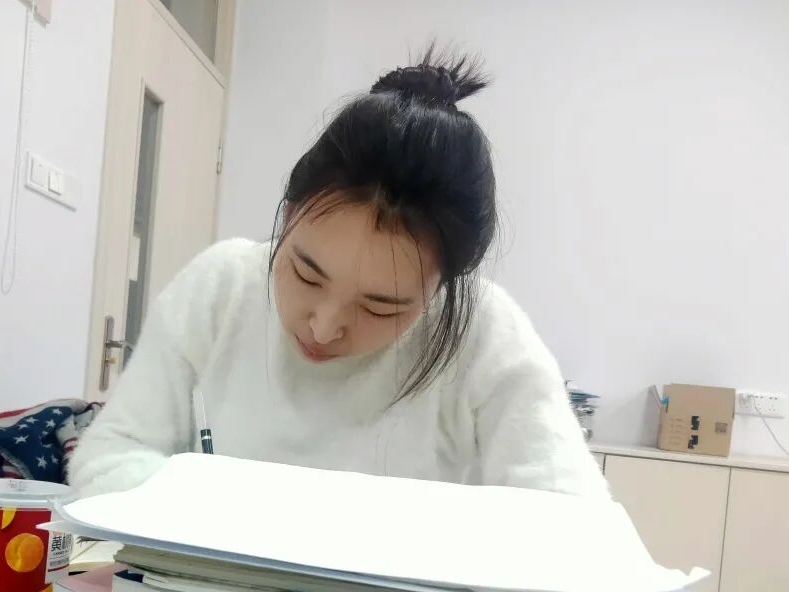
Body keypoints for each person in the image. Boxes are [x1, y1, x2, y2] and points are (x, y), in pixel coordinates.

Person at [70, 50, 606, 499]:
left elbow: (573, 520)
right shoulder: (221, 287)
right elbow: (107, 460)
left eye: (380, 306)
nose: (323, 327)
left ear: (443, 285)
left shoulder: (482, 332)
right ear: (287, 216)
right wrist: (232, 512)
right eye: (306, 274)